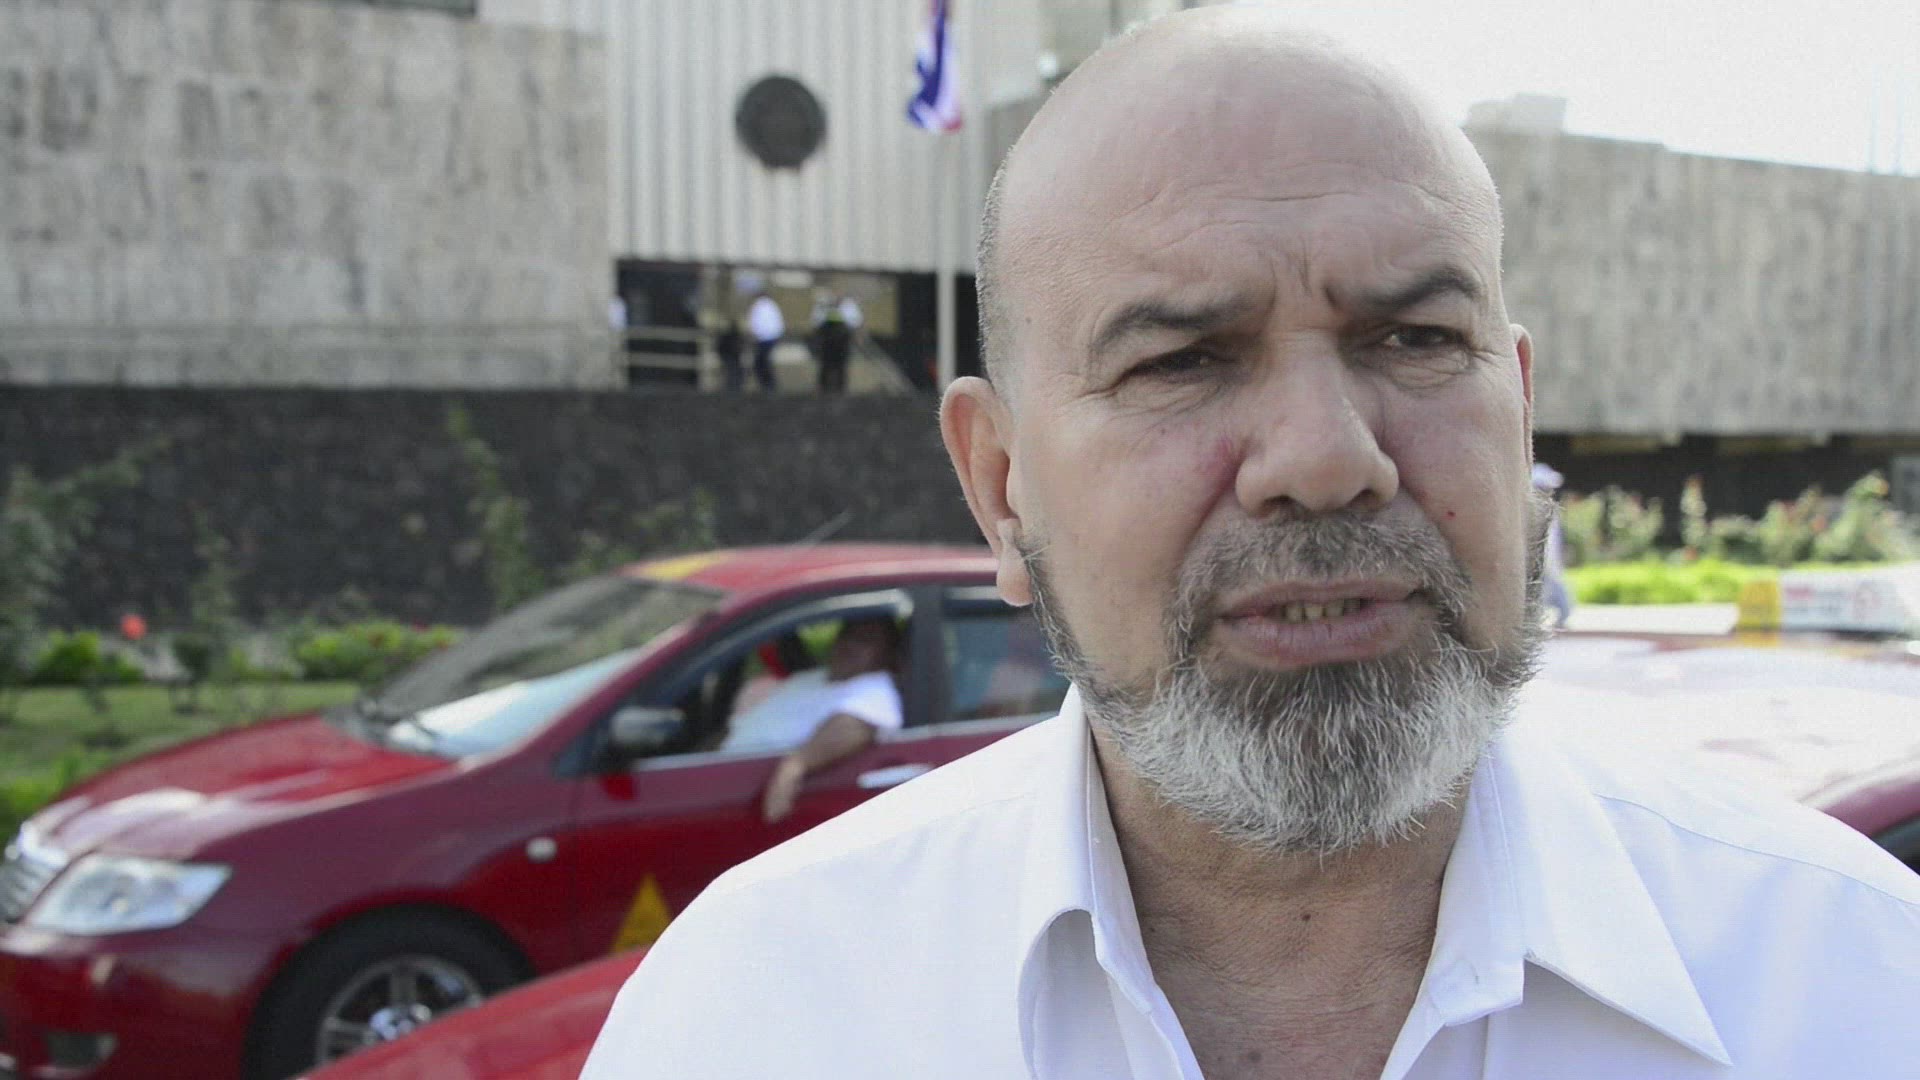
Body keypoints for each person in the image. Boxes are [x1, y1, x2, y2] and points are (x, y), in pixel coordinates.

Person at [585, 11, 1918, 1080]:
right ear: (1000, 488)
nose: (1327, 458)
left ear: (1518, 415)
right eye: (1183, 359)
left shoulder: (1857, 983)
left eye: (1416, 338)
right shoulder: (755, 1013)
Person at [719, 616, 904, 821]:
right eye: (846, 635)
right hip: (722, 771)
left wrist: (794, 766)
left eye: (865, 640)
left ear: (887, 655)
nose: (850, 645)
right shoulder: (809, 678)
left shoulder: (874, 688)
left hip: (750, 793)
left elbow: (856, 726)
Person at [1532, 463, 1574, 627]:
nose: (1550, 491)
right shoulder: (1534, 510)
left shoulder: (1549, 509)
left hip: (1550, 562)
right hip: (1540, 562)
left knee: (1553, 592)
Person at [810, 301, 854, 393]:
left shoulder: (824, 327)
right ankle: (839, 389)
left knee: (828, 369)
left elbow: (817, 337)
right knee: (839, 370)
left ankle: (826, 388)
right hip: (838, 353)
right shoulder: (844, 328)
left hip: (829, 353)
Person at [746, 289, 783, 392]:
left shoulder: (758, 306)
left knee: (760, 362)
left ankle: (767, 384)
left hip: (763, 338)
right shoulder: (772, 305)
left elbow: (755, 323)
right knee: (764, 360)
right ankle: (769, 384)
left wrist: (754, 335)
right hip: (771, 337)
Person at [714, 317, 745, 392]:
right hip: (729, 356)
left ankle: (733, 387)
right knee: (732, 371)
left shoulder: (730, 336)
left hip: (732, 356)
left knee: (734, 371)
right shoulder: (731, 336)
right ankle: (732, 388)